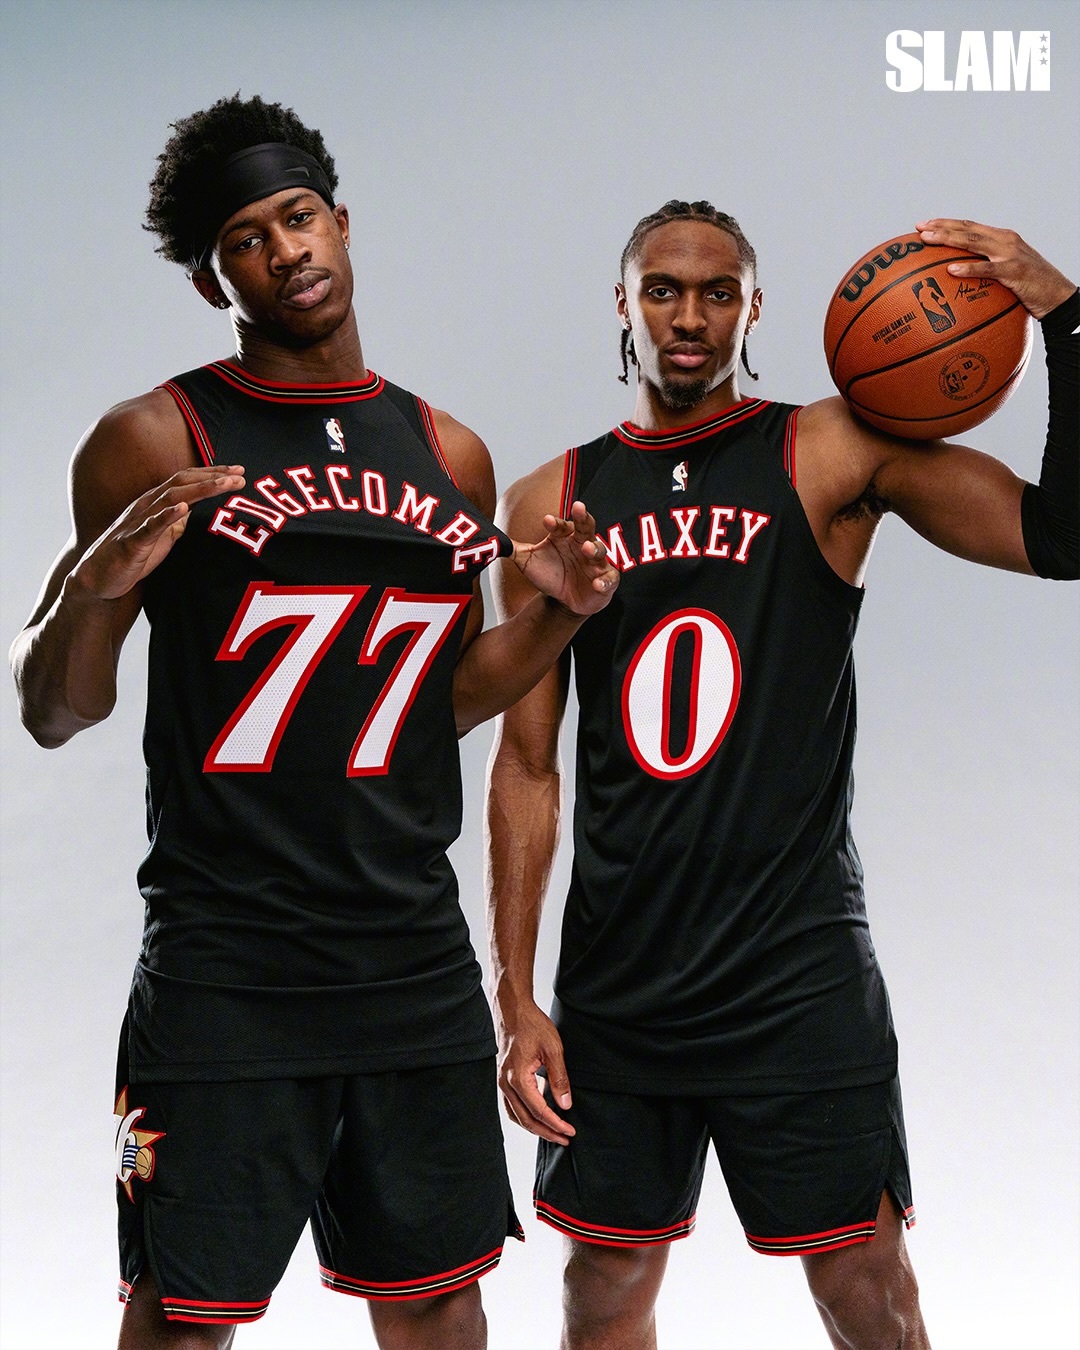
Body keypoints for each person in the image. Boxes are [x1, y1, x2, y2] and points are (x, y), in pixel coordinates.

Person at [8, 95, 619, 1350]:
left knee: (441, 1305)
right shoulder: (152, 438)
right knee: (185, 1319)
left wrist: (558, 618)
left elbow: (432, 703)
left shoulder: (447, 450)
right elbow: (53, 710)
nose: (285, 250)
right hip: (229, 967)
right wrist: (93, 590)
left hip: (410, 961)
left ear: (341, 220)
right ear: (210, 280)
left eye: (297, 217)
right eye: (245, 238)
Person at [486, 200, 1077, 1349]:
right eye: (663, 289)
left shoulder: (830, 453)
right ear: (624, 303)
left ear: (754, 307)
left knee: (867, 1289)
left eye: (718, 292)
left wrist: (1068, 320)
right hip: (622, 975)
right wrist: (515, 996)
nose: (689, 316)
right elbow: (525, 767)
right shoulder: (550, 500)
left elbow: (1066, 538)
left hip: (794, 969)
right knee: (603, 1289)